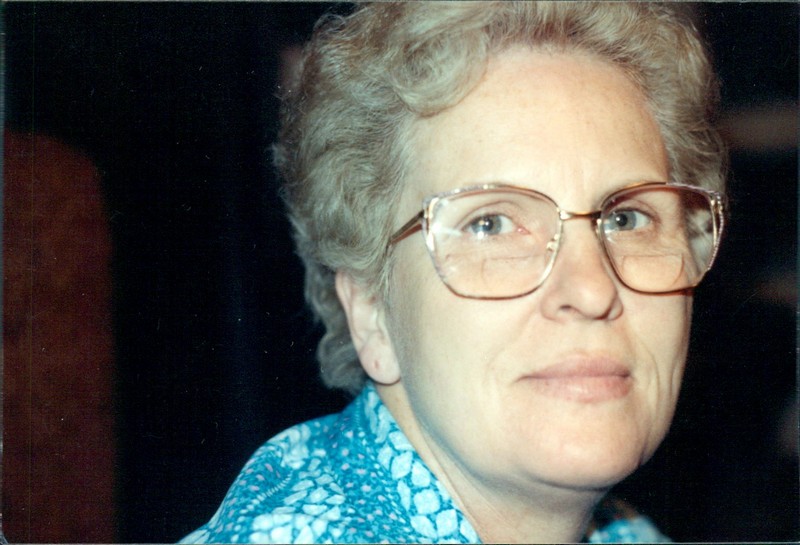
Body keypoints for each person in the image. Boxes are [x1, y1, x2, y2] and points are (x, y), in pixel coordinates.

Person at [181, 2, 726, 543]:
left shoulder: (625, 533)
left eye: (629, 218)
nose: (591, 289)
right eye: (490, 224)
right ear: (371, 312)